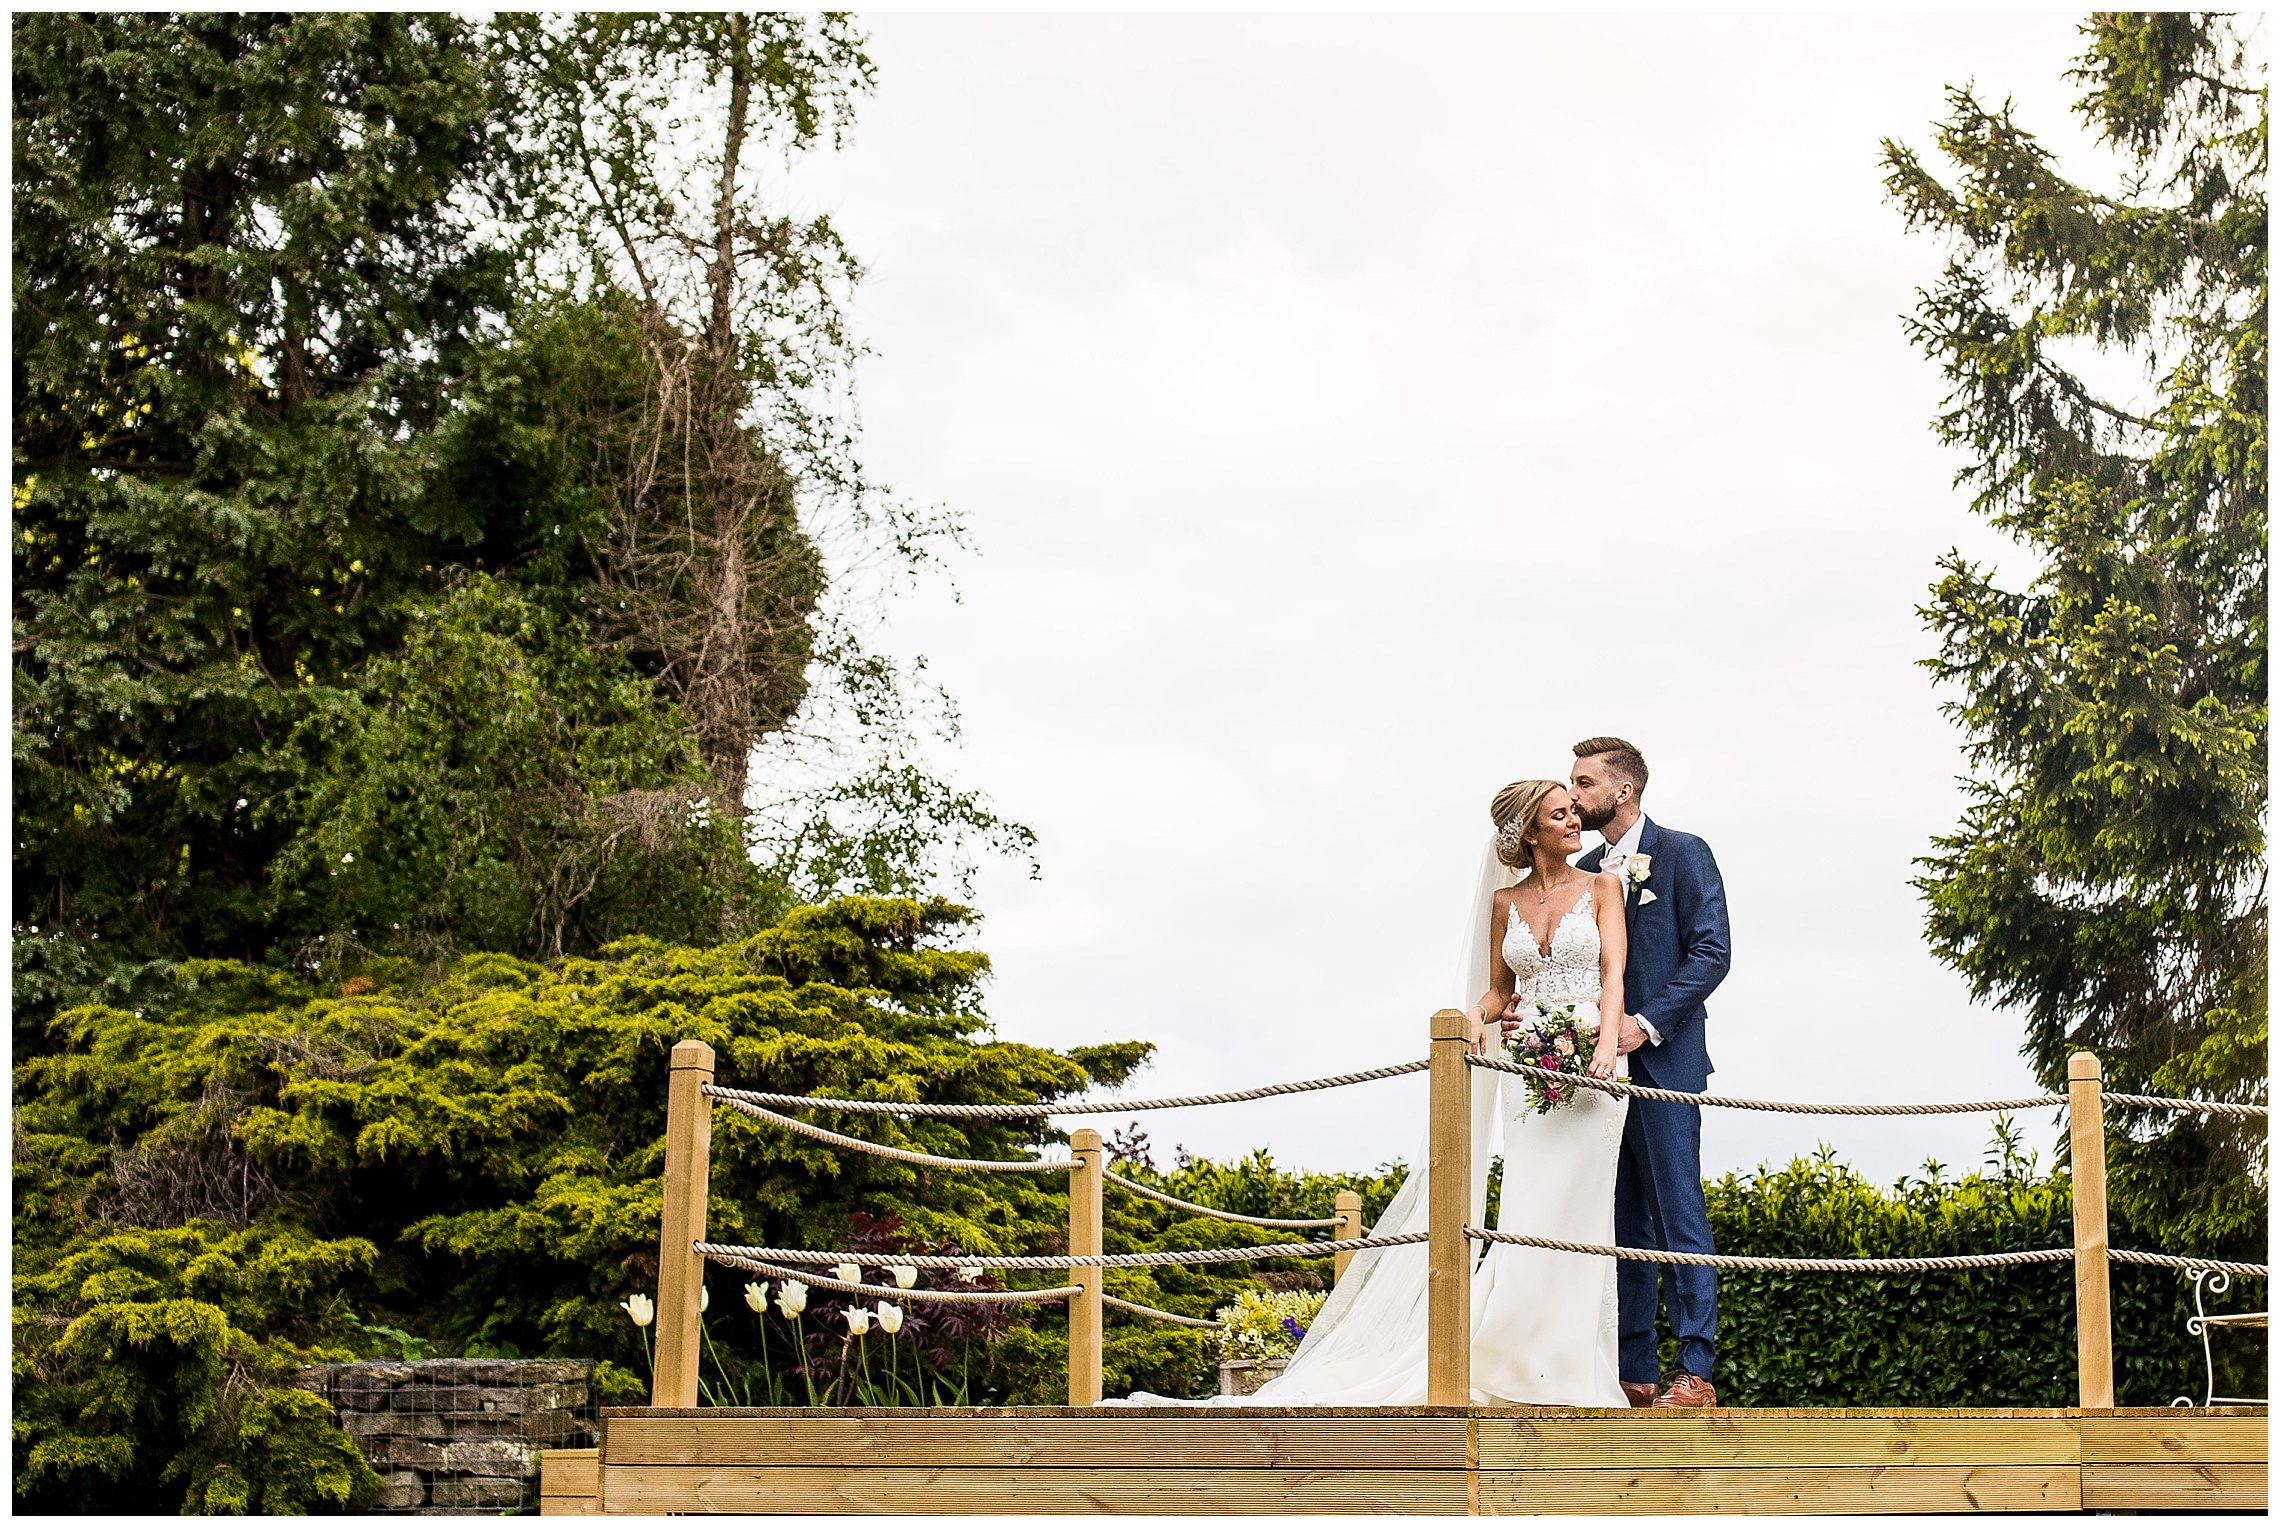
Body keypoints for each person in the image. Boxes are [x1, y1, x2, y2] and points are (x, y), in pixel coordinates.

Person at [1118, 776, 1636, 1407]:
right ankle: (1518, 1359)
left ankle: (1571, 1368)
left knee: (1580, 1214)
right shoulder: (1505, 903)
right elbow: (1500, 992)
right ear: (1529, 832)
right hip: (1527, 1072)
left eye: (1572, 812)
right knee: (1527, 1209)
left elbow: (1614, 972)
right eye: (1560, 816)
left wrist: (1606, 1046)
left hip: (1596, 1074)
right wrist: (1471, 1020)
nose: (1574, 822)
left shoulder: (1603, 887)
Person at [1558, 735, 1730, 1409]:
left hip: (1666, 1062)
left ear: (1622, 790)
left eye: (1583, 783)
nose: (1572, 797)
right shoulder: (1587, 868)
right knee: (1622, 1221)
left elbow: (1712, 953)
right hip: (1597, 1072)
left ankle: (1696, 1372)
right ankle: (1634, 1374)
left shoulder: (1686, 853)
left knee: (1678, 1213)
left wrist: (1645, 1024)